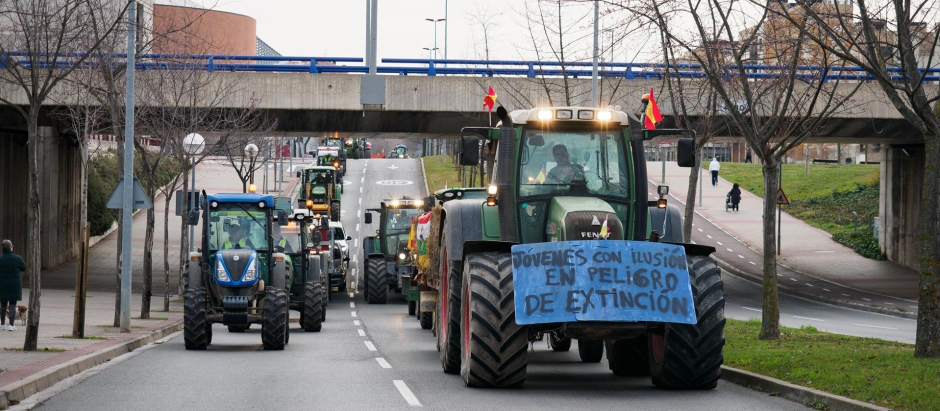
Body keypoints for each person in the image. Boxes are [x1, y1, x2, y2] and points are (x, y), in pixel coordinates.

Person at [0, 240, 26, 331]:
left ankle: (2, 324)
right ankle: (11, 325)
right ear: (11, 247)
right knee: (12, 304)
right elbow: (24, 267)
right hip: (14, 285)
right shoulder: (17, 258)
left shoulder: (1, 259)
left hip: (2, 284)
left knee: (3, 305)